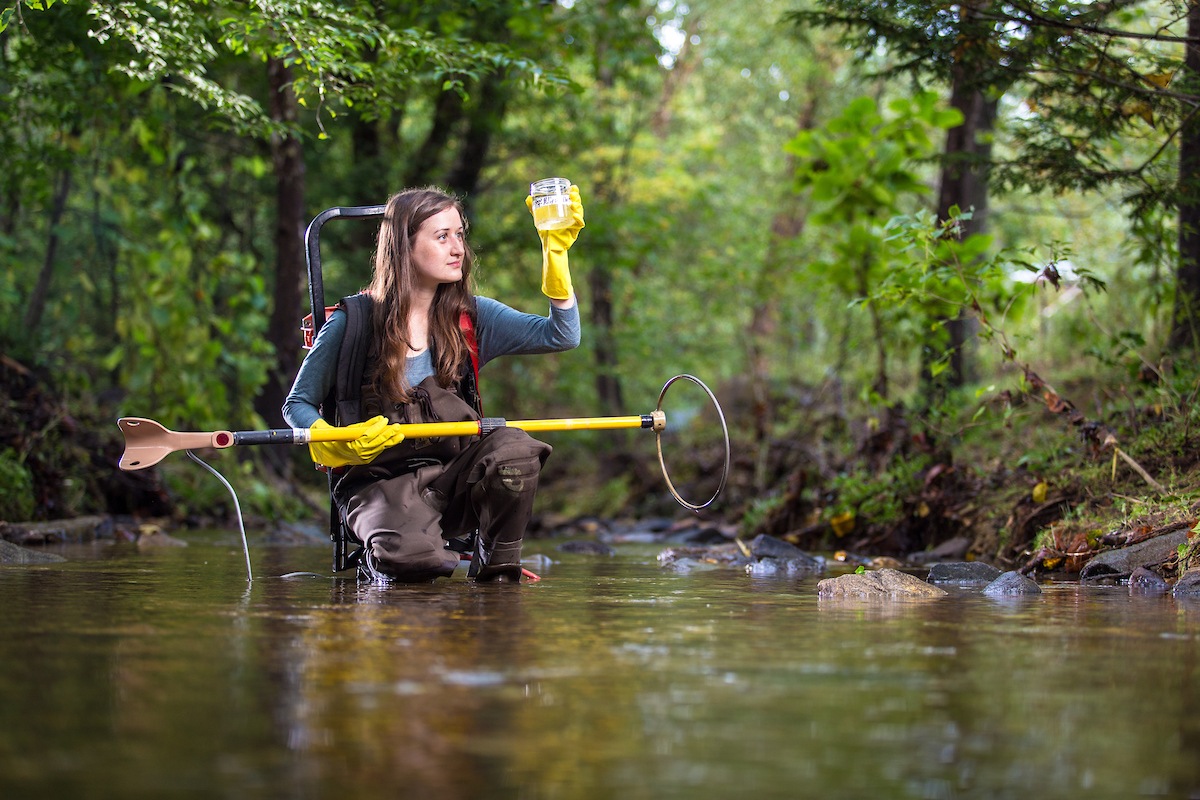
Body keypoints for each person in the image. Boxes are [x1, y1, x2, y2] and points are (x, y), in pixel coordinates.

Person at [283, 185, 584, 582]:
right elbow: (297, 404)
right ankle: (390, 556)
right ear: (402, 248)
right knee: (412, 565)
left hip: (454, 475)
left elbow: (562, 336)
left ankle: (496, 566)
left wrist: (556, 259)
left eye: (459, 235)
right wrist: (329, 438)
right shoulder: (350, 324)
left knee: (516, 448)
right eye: (442, 237)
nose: (457, 248)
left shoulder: (472, 318)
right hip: (379, 484)